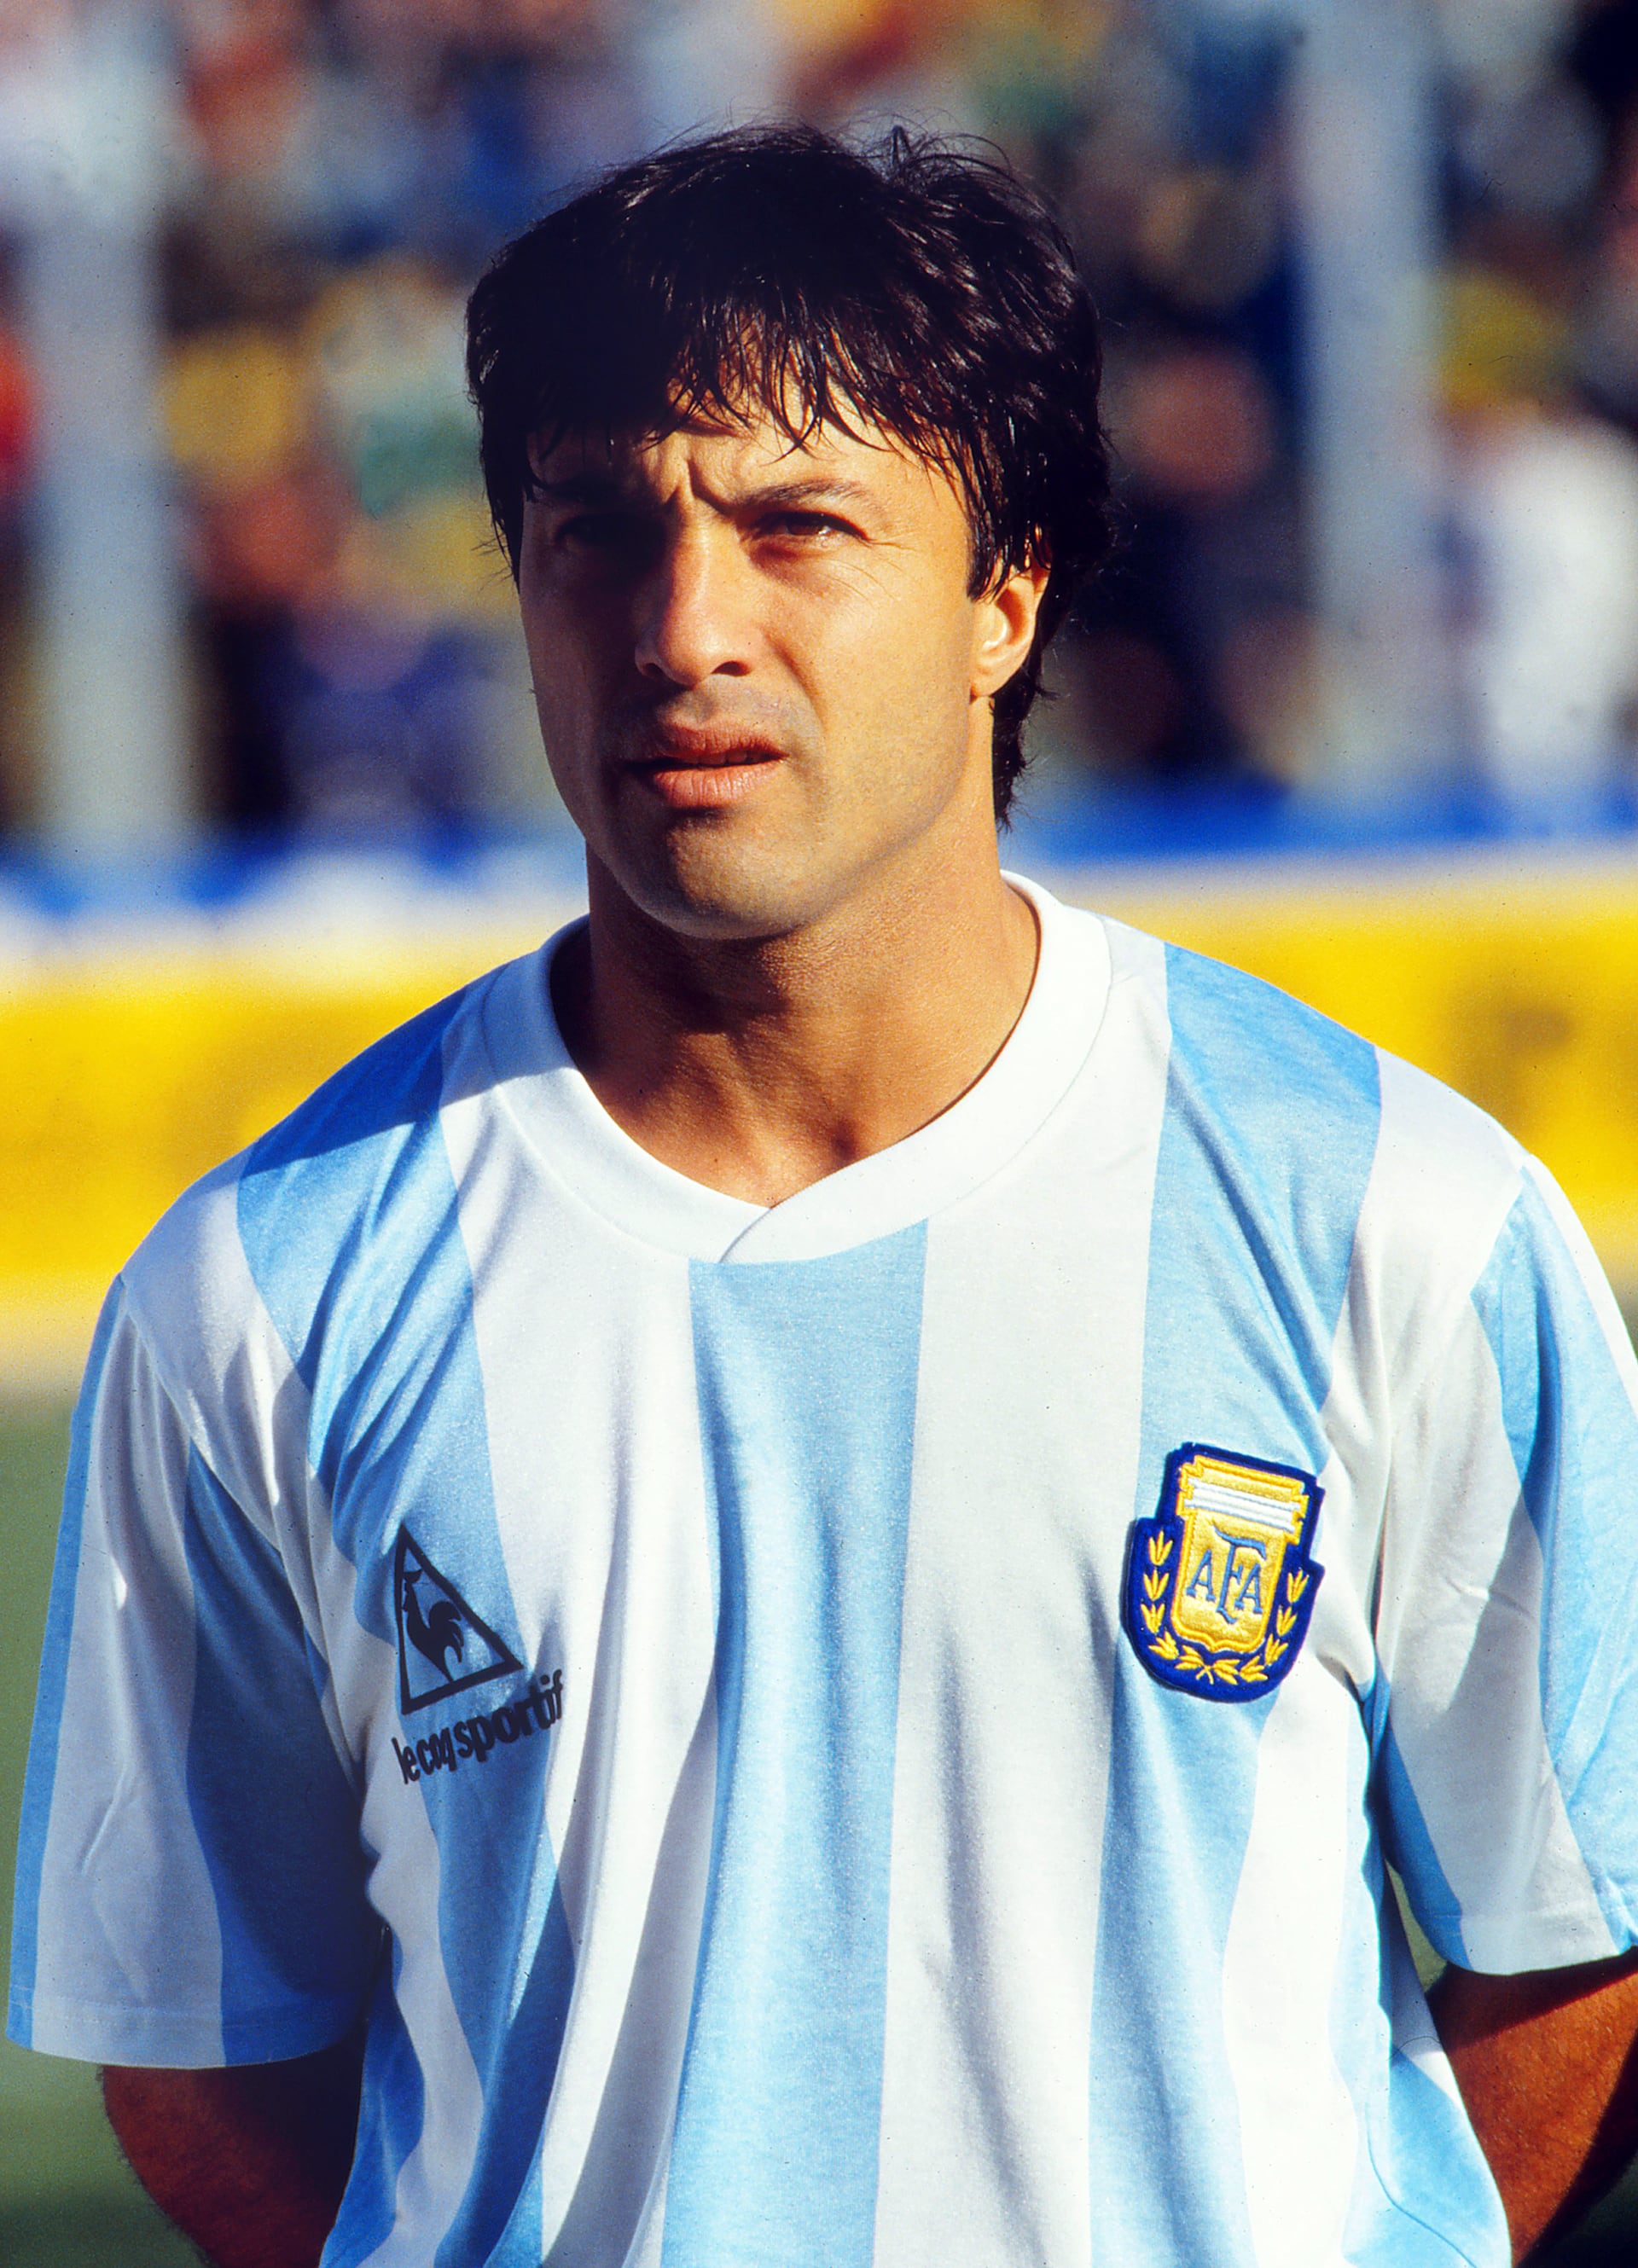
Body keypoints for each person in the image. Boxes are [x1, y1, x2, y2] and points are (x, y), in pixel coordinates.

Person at [10, 124, 1638, 2268]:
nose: (687, 628)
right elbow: (212, 2058)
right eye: (599, 530)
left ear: (1005, 591)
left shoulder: (1395, 1217)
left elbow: (1579, 1943)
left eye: (799, 528)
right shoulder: (261, 1288)